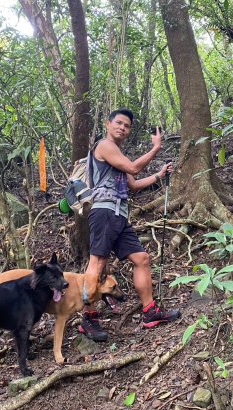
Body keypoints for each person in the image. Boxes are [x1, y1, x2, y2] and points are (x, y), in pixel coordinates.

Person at [79, 108, 180, 341]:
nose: (123, 128)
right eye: (119, 123)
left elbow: (132, 184)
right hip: (104, 212)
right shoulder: (104, 146)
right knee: (98, 263)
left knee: (141, 259)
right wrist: (155, 148)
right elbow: (134, 167)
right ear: (108, 124)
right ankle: (89, 317)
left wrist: (159, 175)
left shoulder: (118, 154)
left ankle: (150, 312)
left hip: (119, 215)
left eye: (127, 126)